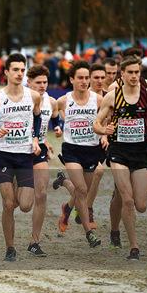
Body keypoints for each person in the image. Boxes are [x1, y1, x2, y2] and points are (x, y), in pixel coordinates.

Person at [94, 55, 147, 260]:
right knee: (128, 200)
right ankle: (134, 247)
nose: (133, 76)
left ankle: (121, 197)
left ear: (141, 74)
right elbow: (96, 123)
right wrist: (105, 129)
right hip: (119, 152)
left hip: (140, 153)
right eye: (129, 72)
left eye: (137, 72)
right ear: (122, 74)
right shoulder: (112, 96)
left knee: (140, 204)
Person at [0, 53, 42, 261]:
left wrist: (35, 139)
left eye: (22, 70)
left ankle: (16, 187)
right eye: (15, 70)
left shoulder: (33, 96)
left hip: (25, 156)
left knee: (25, 205)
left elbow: (37, 118)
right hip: (5, 155)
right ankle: (10, 248)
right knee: (9, 204)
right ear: (6, 72)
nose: (19, 73)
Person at [55, 60, 103, 249]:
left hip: (91, 150)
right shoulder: (63, 101)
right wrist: (58, 127)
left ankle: (67, 204)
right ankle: (89, 233)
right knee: (82, 190)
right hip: (72, 149)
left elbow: (105, 119)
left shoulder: (98, 100)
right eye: (80, 78)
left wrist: (105, 133)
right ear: (72, 79)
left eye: (86, 78)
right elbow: (53, 117)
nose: (84, 81)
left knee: (82, 191)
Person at [26, 64, 62, 256]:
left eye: (45, 82)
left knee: (41, 195)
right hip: (17, 152)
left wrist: (55, 129)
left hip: (39, 152)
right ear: (28, 82)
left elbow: (55, 118)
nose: (42, 86)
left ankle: (35, 241)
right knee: (22, 204)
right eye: (38, 82)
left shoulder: (52, 101)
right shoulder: (21, 99)